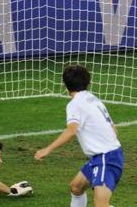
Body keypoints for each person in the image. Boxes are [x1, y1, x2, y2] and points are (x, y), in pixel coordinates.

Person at [34, 65, 123, 207]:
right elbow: (114, 130)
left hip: (106, 158)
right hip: (104, 156)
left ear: (65, 85)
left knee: (101, 205)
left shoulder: (75, 104)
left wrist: (47, 150)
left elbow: (71, 131)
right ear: (89, 82)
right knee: (76, 187)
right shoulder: (93, 99)